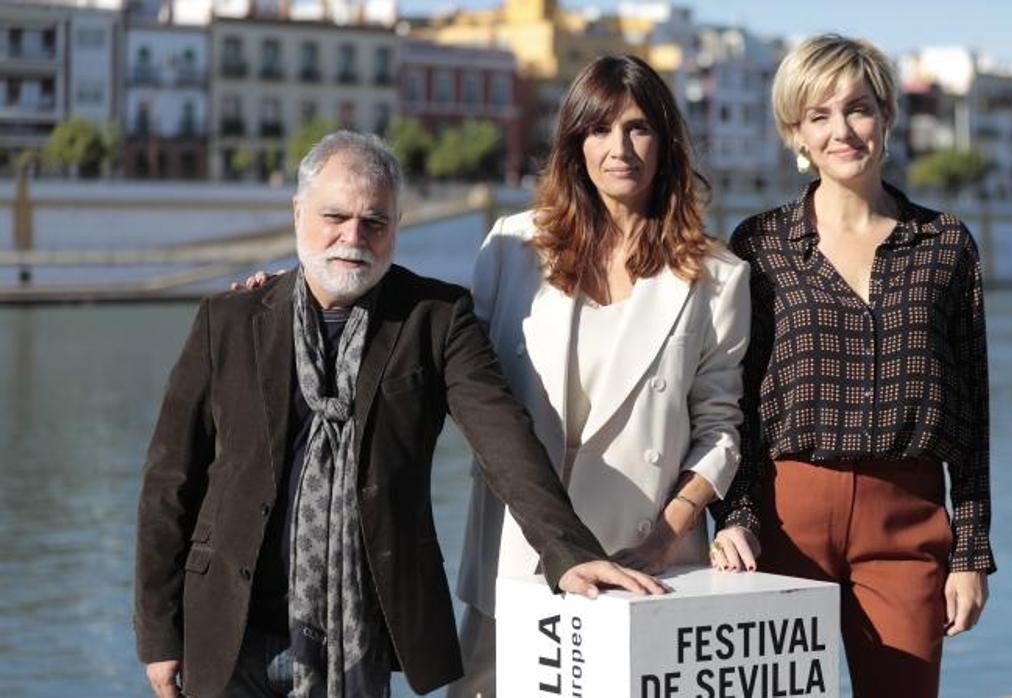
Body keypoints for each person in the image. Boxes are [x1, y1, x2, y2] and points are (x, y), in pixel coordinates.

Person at [133, 131, 664, 698]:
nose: (351, 238)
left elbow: (505, 441)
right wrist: (159, 634)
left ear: (397, 226)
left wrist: (570, 553)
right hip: (229, 634)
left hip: (359, 643)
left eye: (374, 223)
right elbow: (171, 481)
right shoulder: (229, 320)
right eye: (334, 216)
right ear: (297, 214)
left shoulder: (435, 319)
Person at [449, 55, 751, 697]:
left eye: (639, 128)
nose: (620, 148)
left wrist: (665, 539)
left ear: (666, 143)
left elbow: (721, 430)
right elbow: (454, 378)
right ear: (573, 144)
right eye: (600, 129)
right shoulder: (511, 249)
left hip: (642, 559)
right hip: (514, 554)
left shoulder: (717, 277)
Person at [708, 35, 995, 698]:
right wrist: (735, 515)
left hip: (908, 523)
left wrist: (970, 553)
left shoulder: (946, 244)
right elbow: (735, 399)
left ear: (887, 116)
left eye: (859, 109)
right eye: (819, 116)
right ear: (795, 133)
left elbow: (974, 408)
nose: (842, 130)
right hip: (783, 521)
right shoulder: (760, 245)